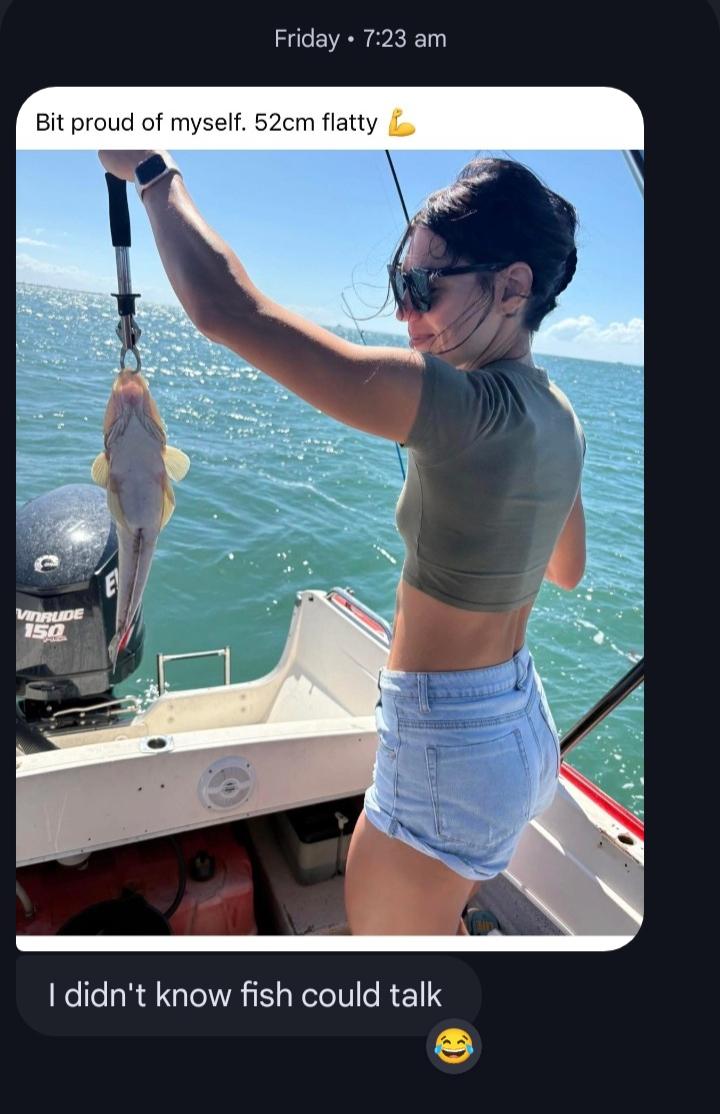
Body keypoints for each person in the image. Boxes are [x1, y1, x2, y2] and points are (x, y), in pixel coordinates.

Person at [98, 150, 586, 936]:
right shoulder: (559, 415)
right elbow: (566, 569)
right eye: (400, 284)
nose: (406, 315)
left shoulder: (461, 409)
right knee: (435, 920)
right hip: (521, 729)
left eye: (424, 287)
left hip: (446, 750)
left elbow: (228, 311)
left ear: (513, 286)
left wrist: (152, 173)